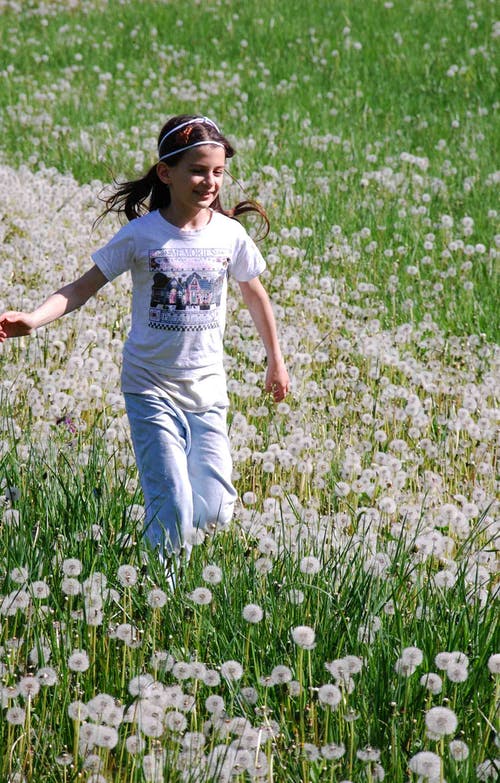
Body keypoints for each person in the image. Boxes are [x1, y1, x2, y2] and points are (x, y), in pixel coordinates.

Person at [0, 114, 290, 566]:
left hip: (208, 389)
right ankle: (162, 591)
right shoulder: (141, 235)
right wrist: (34, 320)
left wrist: (276, 360)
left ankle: (169, 556)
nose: (209, 181)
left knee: (213, 510)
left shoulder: (231, 235)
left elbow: (256, 296)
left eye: (217, 171)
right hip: (149, 386)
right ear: (165, 172)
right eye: (197, 170)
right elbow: (81, 287)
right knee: (171, 498)